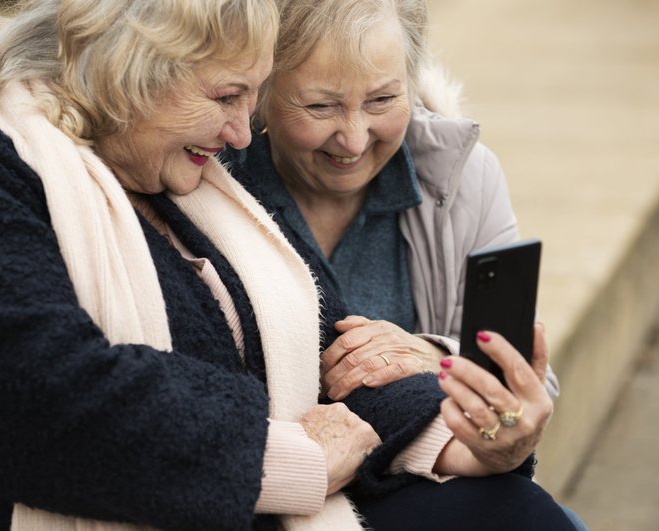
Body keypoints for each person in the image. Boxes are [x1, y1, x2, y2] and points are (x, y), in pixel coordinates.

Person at [0, 1, 578, 530]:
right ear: (129, 70)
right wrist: (282, 456)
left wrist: (461, 440)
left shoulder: (187, 173)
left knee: (517, 509)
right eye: (228, 96)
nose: (243, 135)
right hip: (174, 498)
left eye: (249, 98)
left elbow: (335, 349)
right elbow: (36, 398)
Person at [224, 0, 587, 528]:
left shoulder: (462, 177)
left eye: (382, 99)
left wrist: (432, 357)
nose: (353, 138)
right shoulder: (214, 182)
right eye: (321, 107)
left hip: (425, 473)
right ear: (261, 92)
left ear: (411, 85)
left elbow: (526, 380)